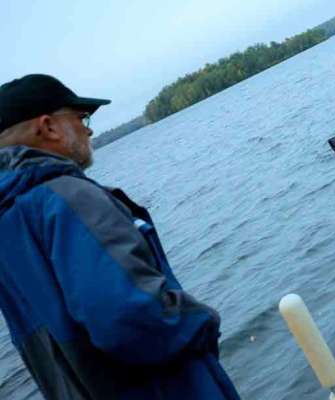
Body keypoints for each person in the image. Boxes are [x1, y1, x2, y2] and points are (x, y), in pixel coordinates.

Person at [0, 74, 241, 400]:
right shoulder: (69, 197)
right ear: (48, 127)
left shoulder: (8, 224)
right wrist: (202, 321)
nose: (88, 130)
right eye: (81, 118)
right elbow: (127, 316)